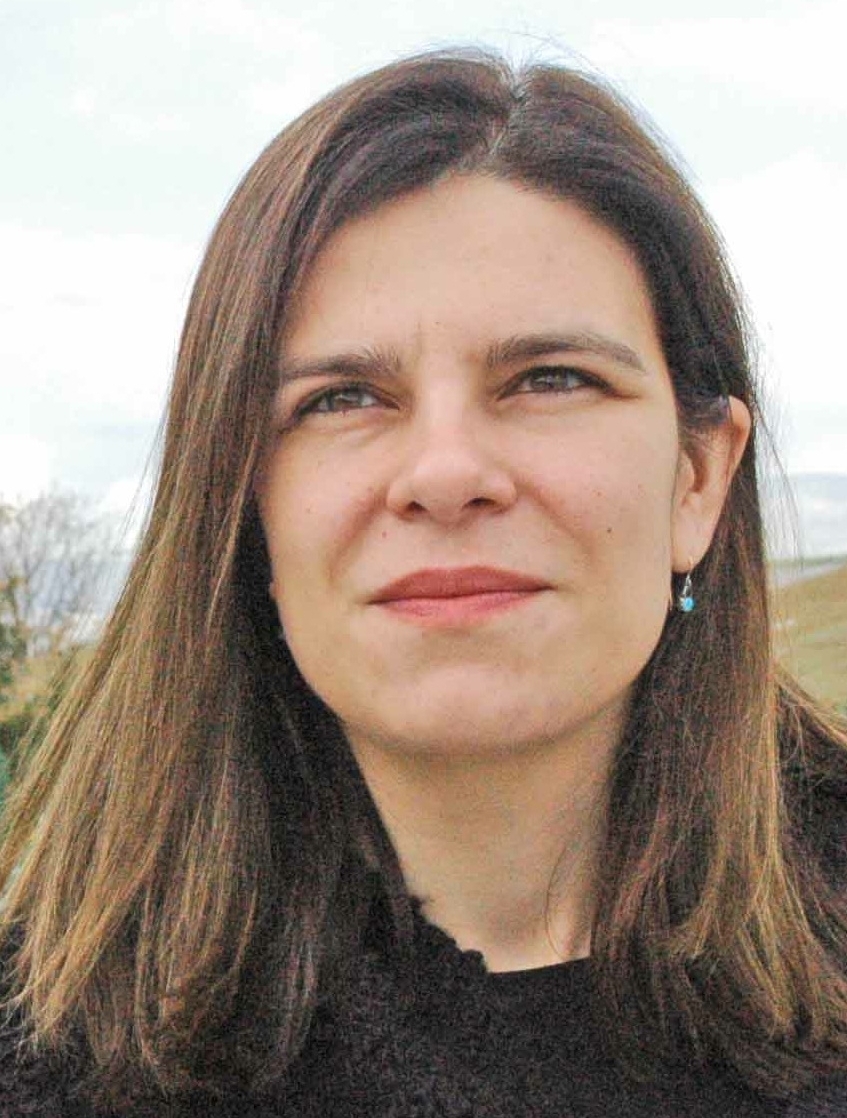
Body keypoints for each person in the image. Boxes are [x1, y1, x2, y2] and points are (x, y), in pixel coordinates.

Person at [1, 49, 845, 1118]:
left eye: (550, 378)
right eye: (342, 398)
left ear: (697, 478)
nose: (445, 474)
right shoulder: (48, 1055)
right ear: (243, 505)